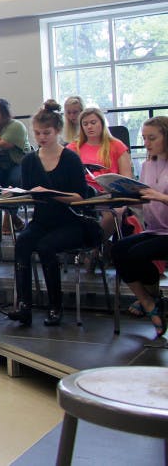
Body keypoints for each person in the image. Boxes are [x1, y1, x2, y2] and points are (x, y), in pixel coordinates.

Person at [8, 100, 102, 328]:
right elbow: (31, 194)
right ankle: (24, 306)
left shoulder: (70, 158)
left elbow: (80, 197)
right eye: (38, 133)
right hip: (43, 220)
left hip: (71, 221)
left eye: (46, 133)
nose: (41, 138)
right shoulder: (30, 160)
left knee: (46, 246)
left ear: (57, 131)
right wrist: (17, 194)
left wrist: (52, 194)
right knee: (22, 243)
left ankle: (55, 306)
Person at [111, 116, 168, 339]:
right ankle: (148, 301)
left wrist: (160, 197)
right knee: (118, 249)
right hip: (154, 228)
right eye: (144, 138)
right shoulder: (147, 164)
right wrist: (124, 200)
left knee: (137, 254)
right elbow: (145, 198)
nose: (147, 143)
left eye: (152, 138)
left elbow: (156, 196)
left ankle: (152, 297)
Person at [67, 106, 133, 238]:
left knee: (114, 213)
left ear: (102, 124)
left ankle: (97, 247)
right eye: (85, 124)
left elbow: (127, 177)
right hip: (84, 193)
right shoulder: (74, 147)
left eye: (93, 122)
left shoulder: (116, 145)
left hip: (111, 193)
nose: (89, 127)